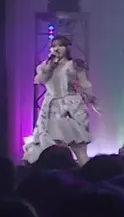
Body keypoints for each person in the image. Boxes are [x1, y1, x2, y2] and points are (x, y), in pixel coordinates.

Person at [23, 35, 95, 164]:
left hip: (71, 106)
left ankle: (86, 171)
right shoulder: (46, 66)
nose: (56, 48)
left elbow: (84, 83)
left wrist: (92, 99)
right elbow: (39, 80)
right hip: (51, 108)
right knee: (51, 145)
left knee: (78, 146)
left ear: (67, 48)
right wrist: (50, 66)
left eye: (60, 45)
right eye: (53, 46)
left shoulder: (74, 65)